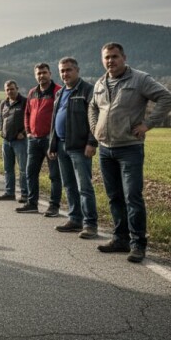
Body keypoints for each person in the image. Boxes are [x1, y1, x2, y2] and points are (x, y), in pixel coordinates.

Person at [89, 42, 171, 263]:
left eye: (115, 56)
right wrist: (95, 128)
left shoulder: (140, 79)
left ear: (124, 57)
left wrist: (148, 124)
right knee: (114, 196)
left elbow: (166, 98)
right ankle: (120, 239)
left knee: (132, 197)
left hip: (129, 148)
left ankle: (138, 244)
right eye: (107, 57)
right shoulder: (100, 82)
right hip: (106, 149)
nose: (110, 61)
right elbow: (92, 107)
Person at [48, 57, 98, 238]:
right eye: (62, 71)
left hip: (79, 147)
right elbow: (54, 120)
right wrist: (52, 144)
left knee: (84, 186)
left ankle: (90, 224)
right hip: (61, 145)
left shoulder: (87, 90)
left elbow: (95, 119)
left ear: (77, 70)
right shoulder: (60, 93)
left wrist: (92, 142)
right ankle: (75, 219)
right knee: (69, 185)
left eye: (68, 70)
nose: (65, 74)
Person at [22, 63, 62, 216]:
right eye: (38, 73)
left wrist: (55, 137)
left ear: (50, 74)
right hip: (33, 140)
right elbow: (27, 114)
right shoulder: (32, 92)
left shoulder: (58, 91)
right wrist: (28, 131)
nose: (41, 76)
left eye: (44, 73)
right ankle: (32, 203)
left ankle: (54, 206)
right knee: (30, 172)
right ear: (35, 75)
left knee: (54, 175)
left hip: (50, 140)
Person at [0, 80, 29, 204]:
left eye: (12, 89)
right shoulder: (4, 103)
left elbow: (30, 119)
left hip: (20, 141)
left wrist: (24, 133)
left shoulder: (25, 102)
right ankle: (9, 192)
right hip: (6, 141)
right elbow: (1, 119)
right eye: (7, 89)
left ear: (17, 88)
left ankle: (25, 194)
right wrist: (1, 130)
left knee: (23, 169)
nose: (10, 91)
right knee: (8, 168)